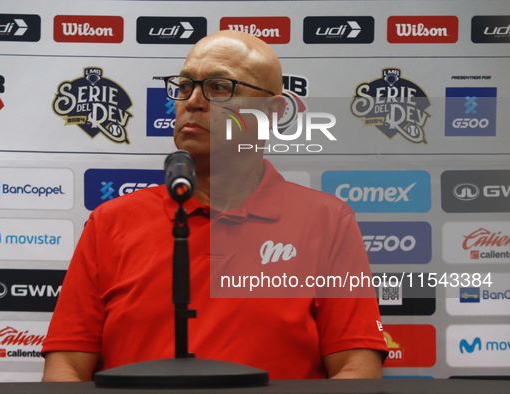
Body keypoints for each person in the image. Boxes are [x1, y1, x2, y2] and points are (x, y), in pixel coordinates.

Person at [41, 30, 387, 381]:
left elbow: (356, 368)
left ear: (273, 112)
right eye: (185, 85)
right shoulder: (110, 222)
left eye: (219, 87)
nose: (192, 101)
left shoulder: (327, 221)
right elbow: (66, 368)